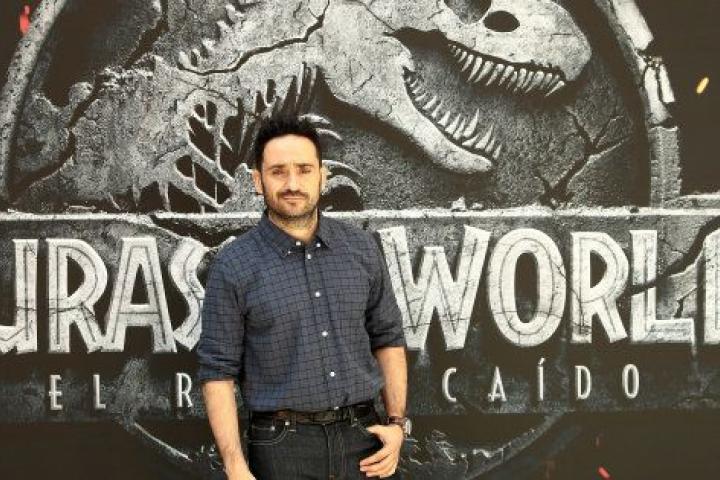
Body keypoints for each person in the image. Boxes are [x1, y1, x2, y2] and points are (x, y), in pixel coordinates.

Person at [196, 115, 409, 480]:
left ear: (322, 176)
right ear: (258, 180)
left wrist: (396, 424)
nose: (292, 184)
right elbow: (217, 371)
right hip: (282, 448)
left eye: (304, 170)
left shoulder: (361, 248)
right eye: (278, 172)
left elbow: (387, 338)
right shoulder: (233, 265)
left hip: (366, 440)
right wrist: (235, 465)